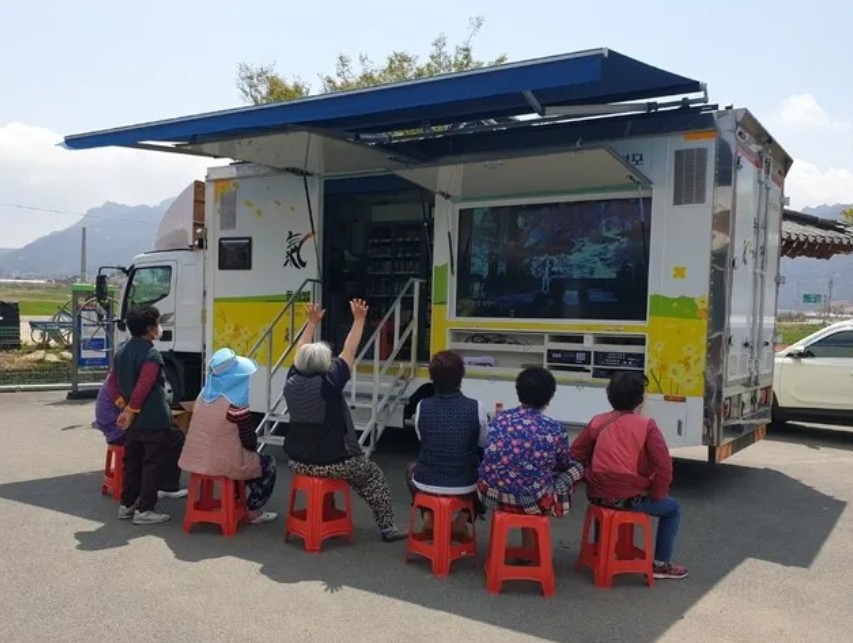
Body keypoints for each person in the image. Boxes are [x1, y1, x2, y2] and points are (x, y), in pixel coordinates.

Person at [282, 299, 407, 542]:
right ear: (324, 364)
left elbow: (301, 350)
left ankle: (324, 510)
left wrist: (311, 323)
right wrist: (360, 319)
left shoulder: (292, 379)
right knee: (371, 475)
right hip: (331, 461)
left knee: (340, 465)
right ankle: (387, 527)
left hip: (298, 460)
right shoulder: (329, 384)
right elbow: (349, 350)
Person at [570, 371, 688, 580]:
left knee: (605, 507)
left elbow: (577, 452)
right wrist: (658, 493)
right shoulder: (646, 426)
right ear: (641, 398)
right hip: (629, 498)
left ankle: (601, 549)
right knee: (673, 509)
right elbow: (664, 466)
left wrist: (590, 474)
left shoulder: (598, 421)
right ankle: (660, 565)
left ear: (610, 396)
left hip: (597, 496)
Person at [477, 367, 585, 554]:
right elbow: (563, 465)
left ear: (518, 392)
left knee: (524, 472)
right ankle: (545, 524)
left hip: (491, 495)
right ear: (549, 398)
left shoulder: (499, 419)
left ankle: (525, 545)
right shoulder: (554, 428)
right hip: (534, 501)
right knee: (575, 468)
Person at [178, 348, 278, 525]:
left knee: (240, 460)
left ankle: (232, 501)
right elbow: (249, 441)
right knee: (266, 463)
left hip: (196, 458)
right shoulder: (236, 404)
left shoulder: (203, 395)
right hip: (224, 462)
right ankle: (254, 510)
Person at [113, 305, 187, 525]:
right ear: (149, 328)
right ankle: (145, 509)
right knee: (151, 463)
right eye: (157, 322)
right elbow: (144, 385)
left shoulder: (121, 351)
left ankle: (127, 505)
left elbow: (112, 384)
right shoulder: (150, 353)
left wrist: (123, 407)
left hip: (132, 424)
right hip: (153, 418)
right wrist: (132, 410)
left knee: (132, 462)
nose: (159, 327)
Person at [405, 350, 487, 540]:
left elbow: (422, 438)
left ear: (432, 377)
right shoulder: (477, 407)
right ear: (461, 376)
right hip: (465, 482)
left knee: (410, 469)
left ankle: (428, 516)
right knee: (487, 474)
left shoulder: (422, 406)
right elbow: (483, 443)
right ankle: (461, 521)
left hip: (426, 479)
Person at [95, 369, 187, 499]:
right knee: (173, 436)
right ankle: (166, 486)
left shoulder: (115, 377)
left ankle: (158, 482)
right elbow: (136, 408)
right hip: (119, 431)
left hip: (112, 428)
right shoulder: (123, 381)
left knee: (169, 430)